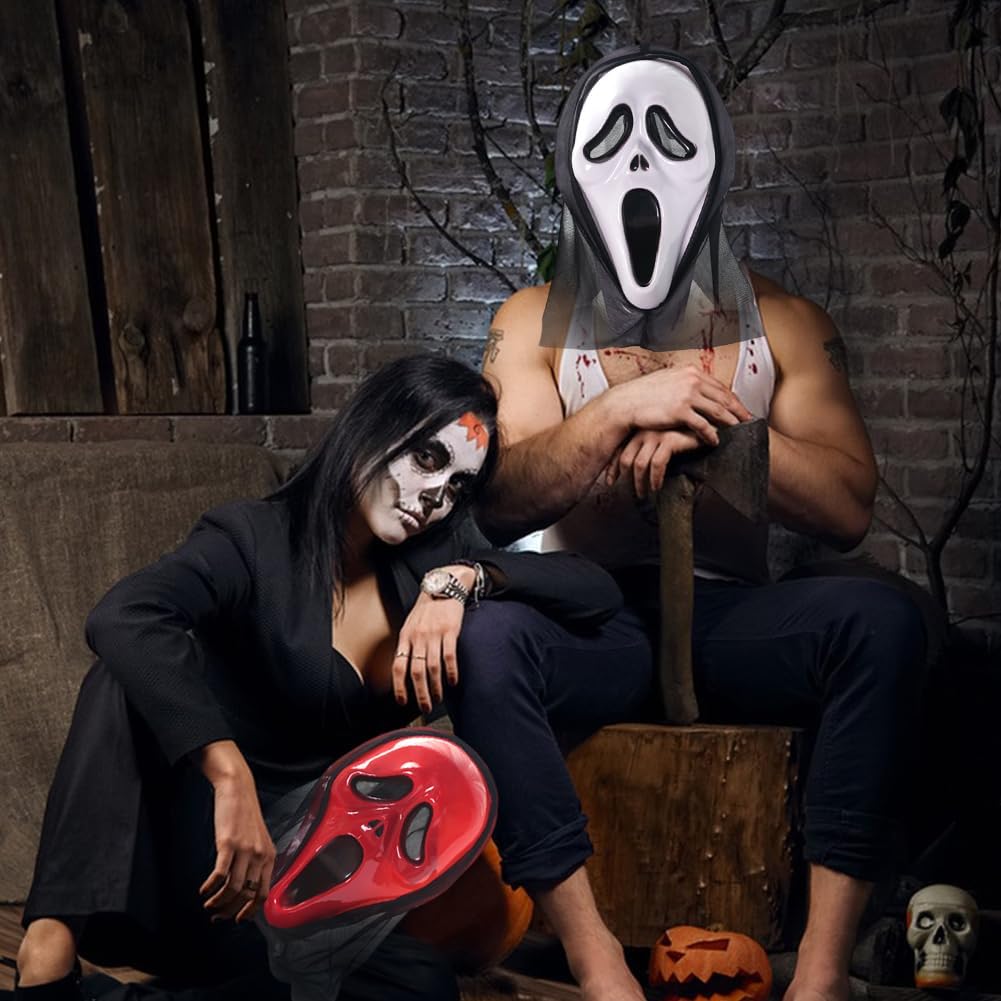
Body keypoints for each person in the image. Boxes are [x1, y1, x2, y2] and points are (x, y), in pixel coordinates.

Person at [478, 47, 927, 1001]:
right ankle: (597, 963)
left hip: (730, 619)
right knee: (486, 642)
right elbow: (504, 495)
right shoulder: (532, 321)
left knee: (882, 622)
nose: (639, 161)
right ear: (573, 172)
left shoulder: (783, 324)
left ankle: (819, 972)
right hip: (593, 619)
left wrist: (717, 431)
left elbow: (849, 506)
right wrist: (617, 412)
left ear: (714, 164)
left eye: (667, 137)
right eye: (610, 139)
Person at [12, 354, 653, 1001]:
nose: (436, 496)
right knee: (122, 675)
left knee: (422, 985)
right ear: (373, 427)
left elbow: (593, 590)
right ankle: (47, 958)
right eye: (428, 458)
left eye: (458, 485)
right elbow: (123, 614)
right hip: (192, 864)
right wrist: (227, 770)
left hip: (291, 898)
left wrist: (464, 578)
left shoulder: (429, 568)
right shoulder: (253, 538)